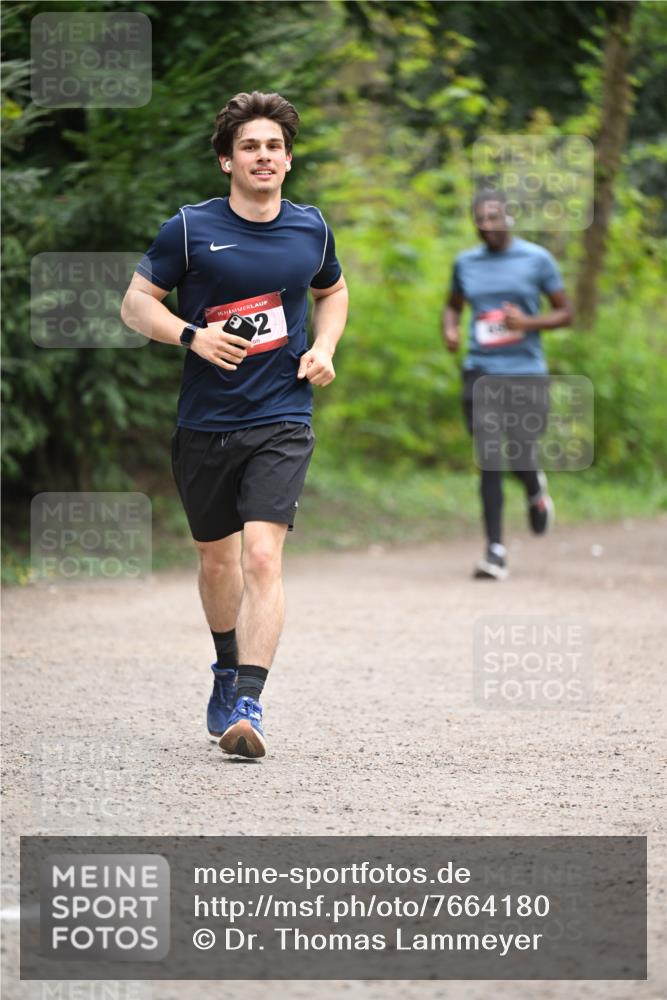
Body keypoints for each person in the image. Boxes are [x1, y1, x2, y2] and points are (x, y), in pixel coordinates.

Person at [121, 91, 348, 756]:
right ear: (227, 160)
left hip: (281, 415)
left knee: (260, 555)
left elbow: (330, 291)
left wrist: (324, 348)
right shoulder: (189, 229)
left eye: (274, 147)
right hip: (205, 423)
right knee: (217, 565)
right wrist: (191, 335)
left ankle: (249, 701)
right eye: (250, 146)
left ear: (287, 159)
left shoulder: (311, 228)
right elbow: (136, 304)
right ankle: (225, 668)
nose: (264, 156)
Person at [442, 190, 572, 580]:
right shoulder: (466, 263)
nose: (488, 225)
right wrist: (451, 329)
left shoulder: (537, 260)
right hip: (481, 370)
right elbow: (453, 304)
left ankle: (534, 489)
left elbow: (566, 312)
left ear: (509, 218)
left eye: (494, 216)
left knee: (519, 450)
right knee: (489, 458)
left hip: (526, 372)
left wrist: (527, 324)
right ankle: (494, 551)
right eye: (480, 218)